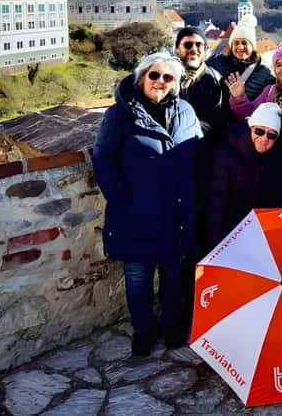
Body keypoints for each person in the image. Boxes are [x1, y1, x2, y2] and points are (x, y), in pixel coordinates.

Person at [92, 52, 202, 356]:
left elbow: (197, 155)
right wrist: (123, 201)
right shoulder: (120, 114)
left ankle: (172, 326)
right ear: (141, 78)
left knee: (173, 274)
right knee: (138, 277)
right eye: (155, 75)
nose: (161, 82)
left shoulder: (186, 112)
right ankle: (142, 331)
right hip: (137, 212)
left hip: (177, 211)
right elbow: (103, 160)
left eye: (169, 77)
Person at [207, 103, 282, 247]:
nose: (264, 138)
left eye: (271, 135)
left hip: (259, 233)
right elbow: (216, 202)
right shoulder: (225, 154)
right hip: (228, 232)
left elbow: (280, 200)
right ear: (250, 128)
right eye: (259, 131)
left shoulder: (278, 159)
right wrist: (216, 245)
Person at [174, 27, 230, 143]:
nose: (194, 49)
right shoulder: (166, 77)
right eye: (188, 45)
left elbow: (223, 117)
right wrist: (192, 123)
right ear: (177, 49)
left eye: (199, 45)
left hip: (207, 146)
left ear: (205, 50)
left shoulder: (216, 80)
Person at [207, 14, 275, 102]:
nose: (240, 47)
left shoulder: (264, 72)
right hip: (221, 114)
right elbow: (199, 70)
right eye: (236, 43)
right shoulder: (218, 61)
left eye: (244, 43)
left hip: (249, 114)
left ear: (253, 46)